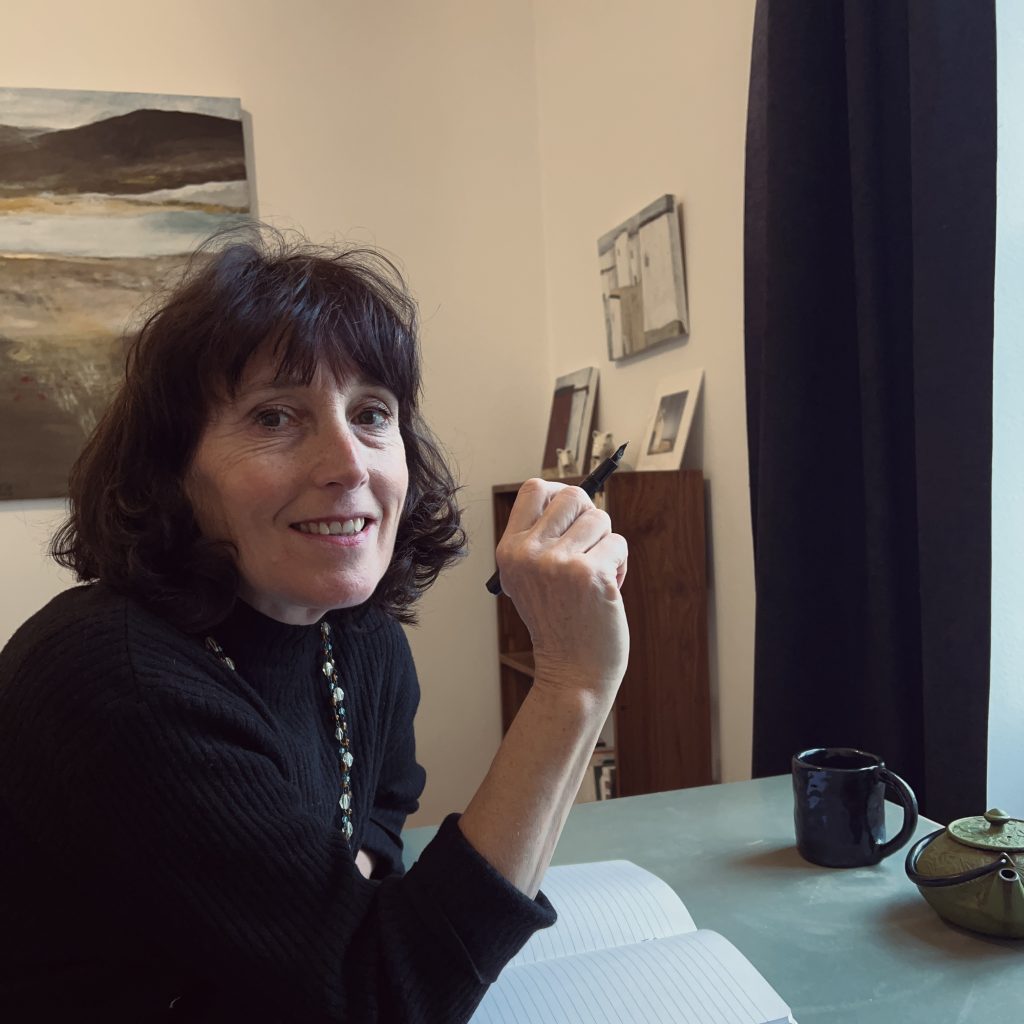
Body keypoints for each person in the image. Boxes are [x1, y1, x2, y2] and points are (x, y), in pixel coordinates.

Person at [0, 227, 629, 1022]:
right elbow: (379, 1002)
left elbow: (383, 808)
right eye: (274, 417)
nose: (348, 463)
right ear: (171, 470)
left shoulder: (358, 633)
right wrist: (572, 685)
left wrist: (344, 909)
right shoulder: (114, 682)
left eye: (371, 413)